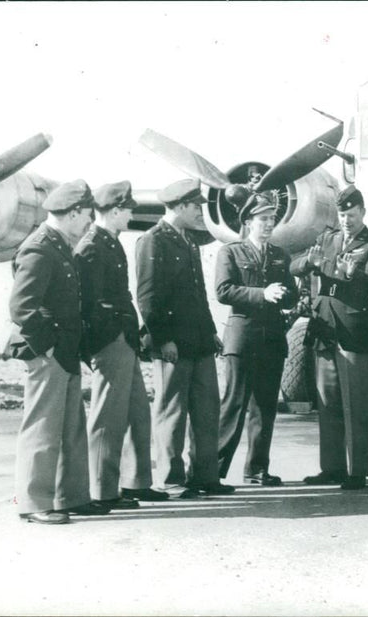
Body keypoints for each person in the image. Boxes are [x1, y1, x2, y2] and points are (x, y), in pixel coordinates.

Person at [8, 179, 109, 523]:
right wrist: (47, 345)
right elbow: (22, 307)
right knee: (42, 428)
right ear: (74, 212)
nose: (89, 224)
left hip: (65, 351)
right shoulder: (39, 247)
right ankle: (35, 503)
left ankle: (72, 497)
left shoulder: (59, 244)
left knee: (70, 429)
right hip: (49, 353)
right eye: (87, 216)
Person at [135, 178, 233, 499]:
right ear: (179, 207)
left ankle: (206, 476)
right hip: (172, 345)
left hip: (199, 342)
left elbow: (198, 295)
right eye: (195, 207)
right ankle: (171, 479)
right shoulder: (153, 240)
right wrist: (162, 339)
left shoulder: (188, 241)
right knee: (172, 413)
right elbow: (147, 298)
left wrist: (211, 333)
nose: (200, 213)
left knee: (206, 411)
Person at [74, 181, 169, 509]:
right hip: (110, 341)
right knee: (108, 418)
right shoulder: (91, 246)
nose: (131, 214)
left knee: (137, 415)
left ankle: (135, 482)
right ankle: (101, 491)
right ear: (114, 211)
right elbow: (87, 302)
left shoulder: (109, 242)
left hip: (123, 338)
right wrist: (108, 337)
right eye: (128, 209)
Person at [290, 185, 368, 490]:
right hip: (324, 330)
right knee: (328, 403)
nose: (347, 220)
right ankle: (331, 467)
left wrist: (350, 273)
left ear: (363, 212)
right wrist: (310, 263)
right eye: (343, 215)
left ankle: (357, 470)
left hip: (352, 333)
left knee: (355, 405)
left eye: (352, 214)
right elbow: (295, 265)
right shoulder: (327, 239)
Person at [215, 193, 297, 486]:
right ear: (248, 222)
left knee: (265, 407)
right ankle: (212, 470)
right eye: (262, 220)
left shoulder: (280, 255)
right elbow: (223, 291)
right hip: (243, 339)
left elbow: (291, 294)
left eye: (271, 220)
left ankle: (256, 470)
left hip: (272, 339)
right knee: (234, 404)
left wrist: (287, 292)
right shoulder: (231, 252)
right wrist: (262, 293)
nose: (268, 225)